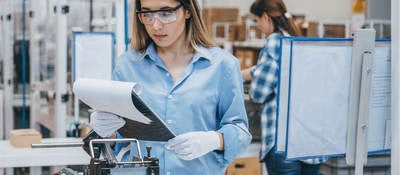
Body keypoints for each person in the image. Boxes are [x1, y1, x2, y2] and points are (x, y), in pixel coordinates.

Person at [89, 0, 252, 174]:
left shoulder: (222, 65)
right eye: (147, 14)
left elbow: (240, 131)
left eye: (166, 13)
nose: (156, 25)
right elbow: (122, 141)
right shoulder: (127, 65)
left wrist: (214, 139)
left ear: (188, 11)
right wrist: (108, 133)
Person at [241, 0, 327, 174]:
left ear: (265, 17)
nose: (257, 25)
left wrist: (249, 81)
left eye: (257, 20)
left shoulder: (273, 42)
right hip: (312, 142)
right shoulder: (296, 41)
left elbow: (259, 93)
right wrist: (252, 71)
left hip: (285, 143)